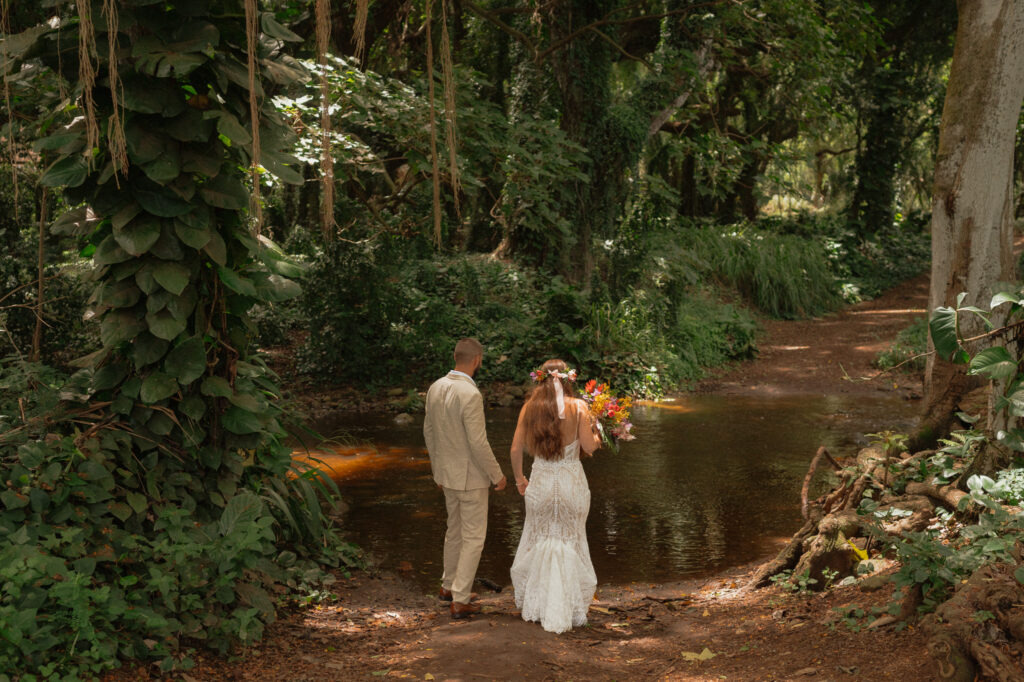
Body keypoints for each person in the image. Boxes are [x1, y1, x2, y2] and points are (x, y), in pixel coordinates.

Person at [509, 358, 601, 633]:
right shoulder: (579, 407)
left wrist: (519, 479)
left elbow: (515, 449)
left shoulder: (530, 408)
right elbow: (589, 447)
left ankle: (538, 607)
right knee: (570, 541)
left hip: (542, 484)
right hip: (571, 483)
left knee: (542, 540)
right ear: (569, 380)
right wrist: (597, 432)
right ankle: (569, 609)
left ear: (540, 380)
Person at [423, 337, 507, 619]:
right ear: (477, 360)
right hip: (471, 477)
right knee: (473, 536)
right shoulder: (470, 394)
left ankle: (448, 587)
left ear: (456, 357)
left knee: (454, 531)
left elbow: (429, 433)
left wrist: (437, 470)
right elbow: (478, 443)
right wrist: (497, 475)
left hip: (447, 475)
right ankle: (460, 599)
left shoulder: (435, 387)